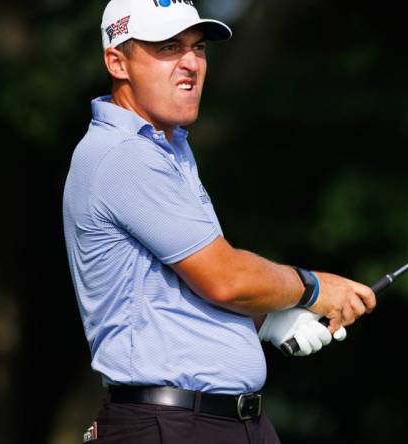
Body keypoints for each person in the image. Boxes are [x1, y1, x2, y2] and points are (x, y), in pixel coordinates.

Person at [62, 1, 376, 442]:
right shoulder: (122, 155)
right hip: (169, 425)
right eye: (169, 47)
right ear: (117, 62)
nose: (191, 63)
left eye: (198, 48)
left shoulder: (166, 149)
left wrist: (268, 321)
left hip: (219, 423)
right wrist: (315, 288)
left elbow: (172, 288)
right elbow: (224, 278)